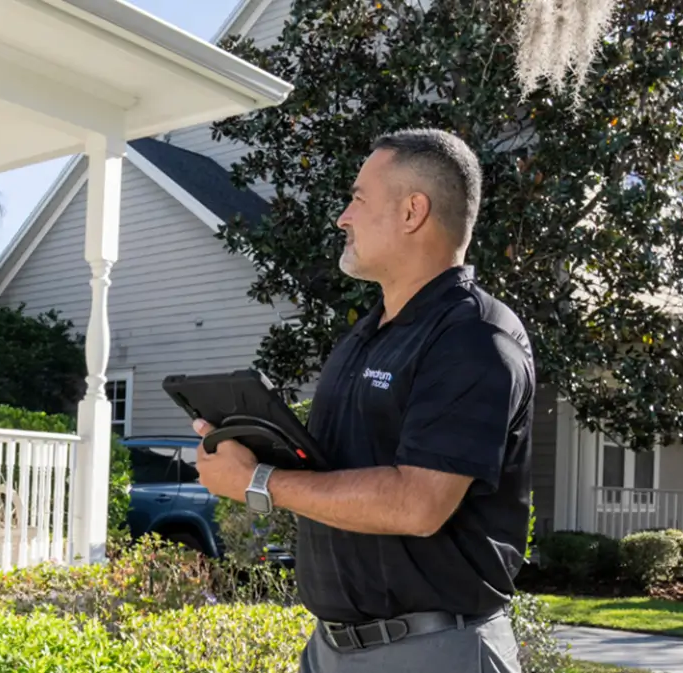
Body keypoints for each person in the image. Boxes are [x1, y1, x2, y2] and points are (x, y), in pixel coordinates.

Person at [192, 128, 535, 672]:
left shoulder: (474, 339)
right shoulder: (368, 334)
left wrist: (259, 483)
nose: (342, 217)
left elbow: (418, 504)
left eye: (357, 198)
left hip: (432, 652)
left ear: (412, 212)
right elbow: (338, 471)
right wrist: (250, 449)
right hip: (331, 649)